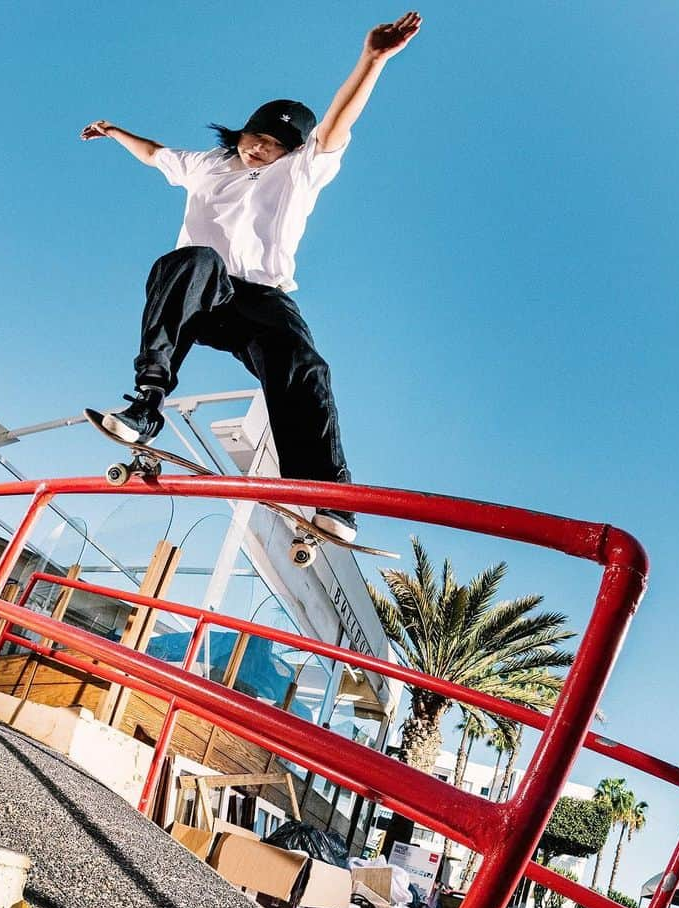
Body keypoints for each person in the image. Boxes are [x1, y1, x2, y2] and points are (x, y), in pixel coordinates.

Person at [80, 12, 423, 543]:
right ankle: (148, 404)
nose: (259, 149)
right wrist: (114, 131)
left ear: (290, 151)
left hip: (261, 299)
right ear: (243, 131)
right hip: (199, 294)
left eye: (273, 145)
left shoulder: (302, 170)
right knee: (194, 259)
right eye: (254, 137)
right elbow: (154, 153)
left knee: (305, 367)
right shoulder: (207, 164)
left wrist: (373, 60)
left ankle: (325, 492)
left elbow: (336, 126)